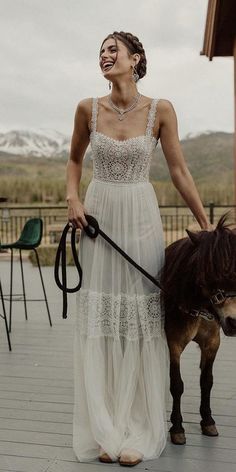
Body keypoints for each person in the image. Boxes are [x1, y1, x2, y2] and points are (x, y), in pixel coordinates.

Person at [66, 31, 212, 467]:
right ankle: (105, 429)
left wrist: (205, 225)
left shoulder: (160, 110)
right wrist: (73, 199)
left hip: (141, 215)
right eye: (101, 52)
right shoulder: (87, 109)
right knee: (104, 319)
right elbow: (74, 162)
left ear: (136, 58)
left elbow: (180, 171)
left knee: (140, 318)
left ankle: (138, 427)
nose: (106, 57)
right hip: (99, 216)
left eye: (114, 50)